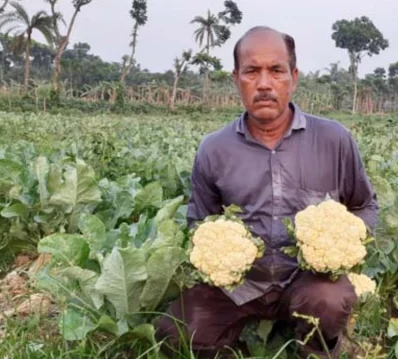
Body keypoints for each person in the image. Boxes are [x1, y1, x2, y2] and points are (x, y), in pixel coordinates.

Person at [155, 26, 379, 359]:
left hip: (309, 281)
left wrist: (348, 244)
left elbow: (364, 204)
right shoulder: (214, 150)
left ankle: (318, 348)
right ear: (236, 78)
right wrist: (218, 251)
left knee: (328, 302)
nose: (263, 83)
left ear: (294, 76)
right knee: (175, 331)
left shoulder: (334, 140)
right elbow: (198, 221)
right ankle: (240, 349)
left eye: (275, 70)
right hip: (239, 285)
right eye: (251, 71)